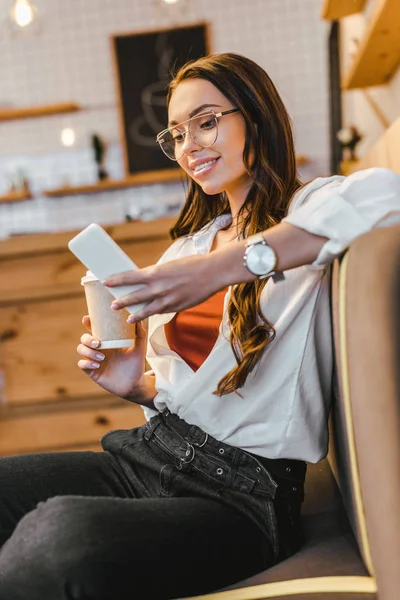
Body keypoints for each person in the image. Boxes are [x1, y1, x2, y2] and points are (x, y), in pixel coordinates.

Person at [0, 53, 399, 600]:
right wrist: (139, 387)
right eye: (176, 134)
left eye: (207, 121)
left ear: (255, 116)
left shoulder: (307, 210)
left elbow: (385, 195)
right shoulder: (186, 246)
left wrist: (222, 270)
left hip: (243, 498)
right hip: (151, 455)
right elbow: (192, 396)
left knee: (55, 539)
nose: (189, 145)